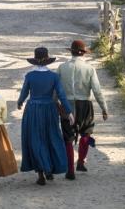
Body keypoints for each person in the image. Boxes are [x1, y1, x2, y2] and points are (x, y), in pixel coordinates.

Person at [17, 47, 74, 186]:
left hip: (33, 110)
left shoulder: (30, 76)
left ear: (35, 61)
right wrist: (69, 112)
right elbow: (61, 95)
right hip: (49, 109)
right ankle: (49, 168)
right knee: (51, 137)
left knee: (36, 139)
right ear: (47, 60)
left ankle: (41, 173)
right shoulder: (54, 76)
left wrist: (20, 102)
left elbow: (24, 93)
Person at [57, 39, 109, 179]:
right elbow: (97, 90)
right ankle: (80, 161)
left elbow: (57, 89)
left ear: (71, 52)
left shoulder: (62, 67)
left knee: (68, 137)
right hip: (84, 104)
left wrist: (56, 104)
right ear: (83, 53)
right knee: (86, 133)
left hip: (67, 104)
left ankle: (70, 170)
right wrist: (104, 108)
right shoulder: (89, 69)